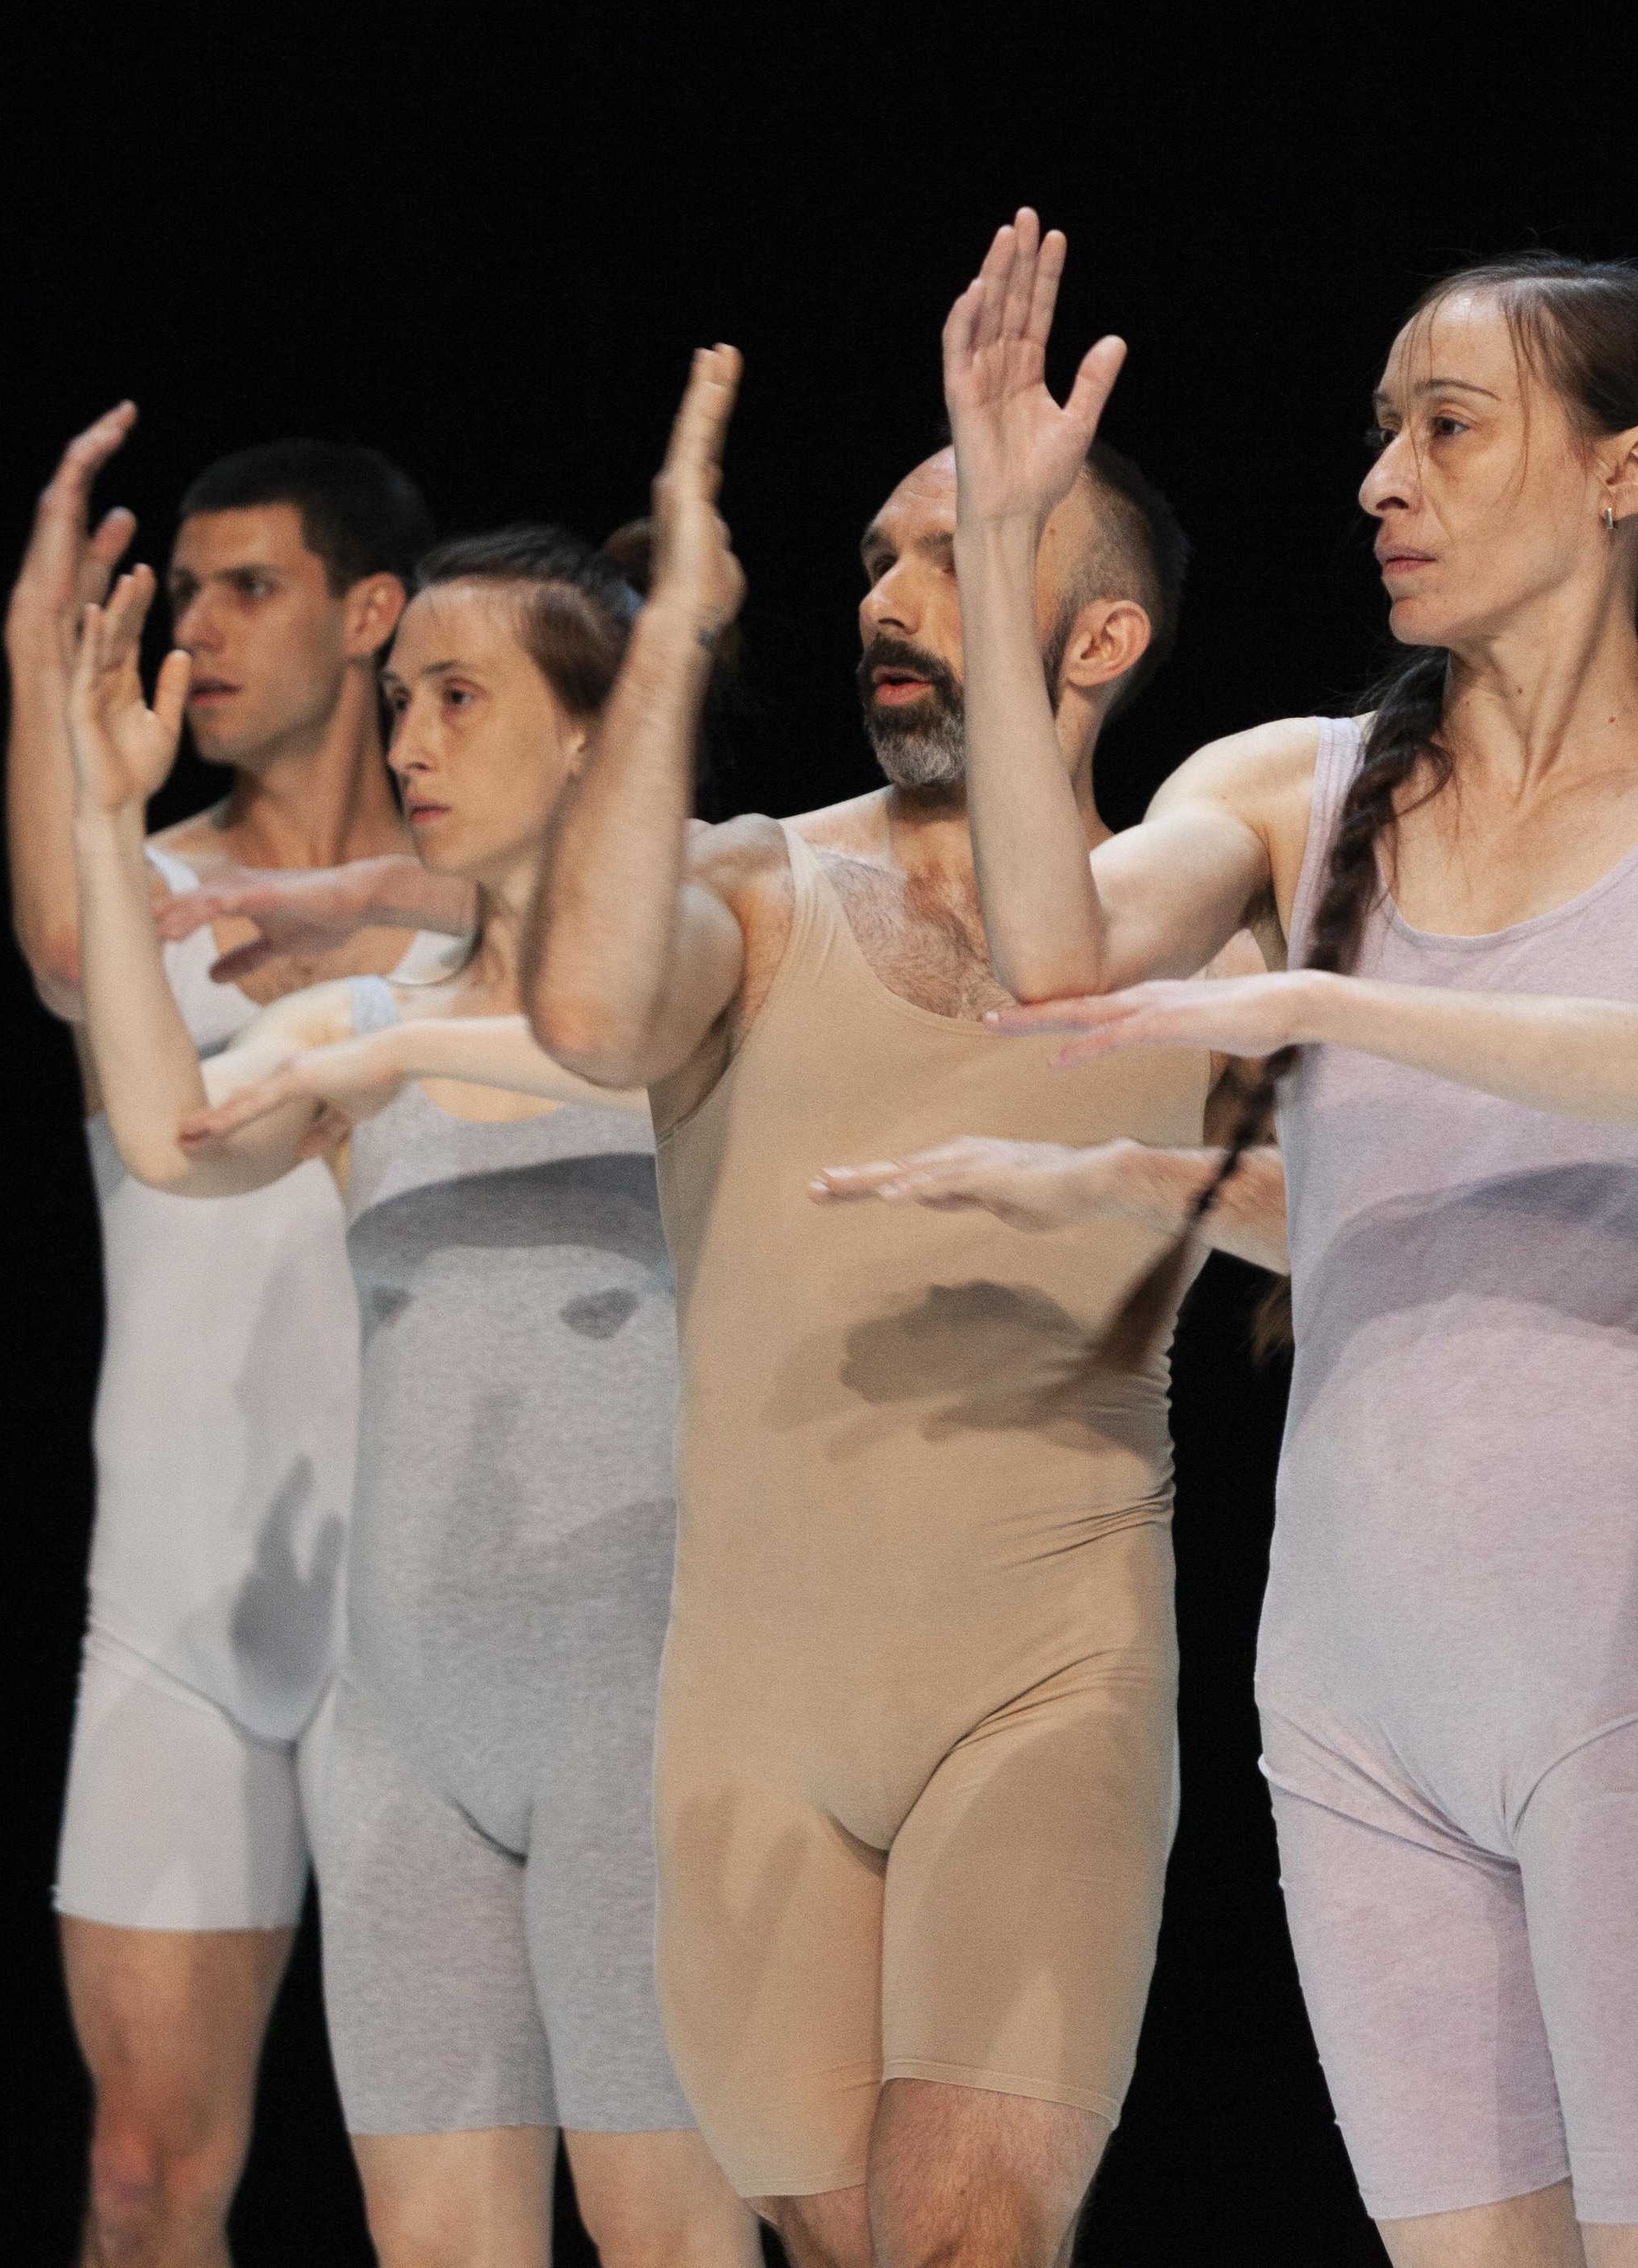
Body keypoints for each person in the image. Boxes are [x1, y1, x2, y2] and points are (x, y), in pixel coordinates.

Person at [934, 214, 1638, 2268]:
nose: (1383, 479)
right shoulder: (1297, 782)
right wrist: (1012, 564)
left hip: (1622, 1675)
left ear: (1627, 472)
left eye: (1448, 429)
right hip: (1349, 1690)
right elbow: (1051, 950)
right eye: (1381, 432)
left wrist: (1322, 1007)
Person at [520, 346, 1219, 2268]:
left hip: (1048, 1665)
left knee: (968, 2232)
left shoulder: (1198, 935)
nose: (889, 601)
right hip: (754, 1707)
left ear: (1097, 639)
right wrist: (669, 638)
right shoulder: (756, 887)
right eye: (878, 557)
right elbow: (582, 1012)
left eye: (959, 552)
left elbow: (1337, 1222)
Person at [64, 506, 763, 2268]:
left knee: (670, 2237)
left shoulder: (707, 973)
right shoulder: (363, 1023)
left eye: (459, 697)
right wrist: (101, 816)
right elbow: (168, 1133)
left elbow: (611, 995)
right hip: (404, 1730)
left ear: (598, 725)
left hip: (644, 1718)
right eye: (402, 701)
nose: (411, 742)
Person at [0, 414, 457, 2266]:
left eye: (247, 585)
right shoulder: (140, 902)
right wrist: (41, 658)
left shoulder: (473, 917)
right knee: (139, 2176)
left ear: (372, 616)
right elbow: (58, 913)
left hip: (426, 1624)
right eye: (178, 591)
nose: (196, 628)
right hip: (183, 1616)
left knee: (443, 2192)